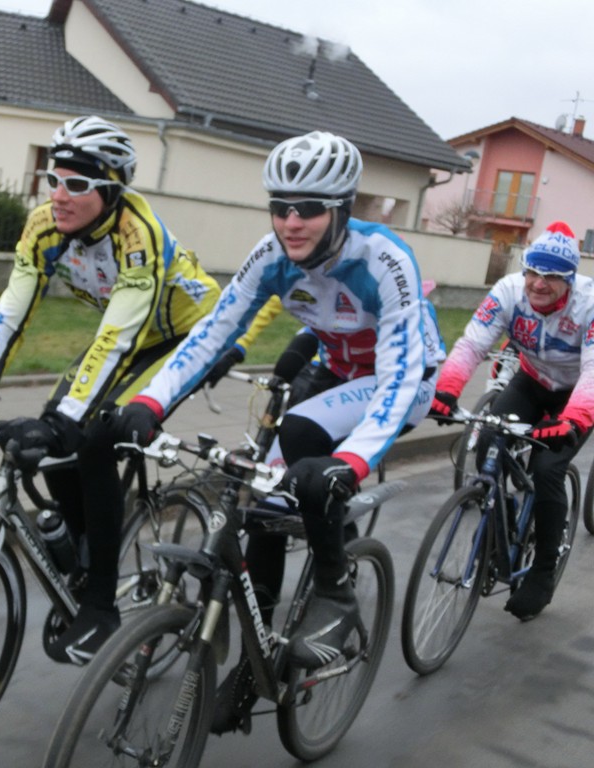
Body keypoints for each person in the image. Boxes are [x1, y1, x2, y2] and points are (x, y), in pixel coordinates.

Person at [109, 130, 444, 731]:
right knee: (263, 501)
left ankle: (336, 589)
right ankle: (253, 659)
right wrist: (150, 400)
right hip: (338, 371)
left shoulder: (383, 258)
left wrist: (355, 462)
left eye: (309, 208)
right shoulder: (270, 255)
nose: (291, 222)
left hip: (404, 380)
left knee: (304, 435)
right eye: (280, 206)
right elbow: (213, 331)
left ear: (341, 209)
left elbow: (396, 378)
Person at [0, 115, 223, 665]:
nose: (58, 195)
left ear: (111, 190)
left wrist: (69, 420)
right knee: (55, 430)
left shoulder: (138, 234)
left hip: (188, 335)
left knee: (91, 436)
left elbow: (118, 336)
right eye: (53, 179)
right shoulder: (44, 226)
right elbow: (11, 310)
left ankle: (101, 607)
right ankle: (89, 552)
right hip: (131, 333)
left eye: (77, 184)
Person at [430, 221, 593, 621]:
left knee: (547, 470)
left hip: (576, 394)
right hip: (532, 380)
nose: (538, 283)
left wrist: (573, 421)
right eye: (533, 272)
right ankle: (498, 518)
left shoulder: (589, 305)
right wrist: (446, 390)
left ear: (570, 280)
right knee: (489, 439)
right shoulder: (508, 291)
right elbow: (473, 343)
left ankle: (543, 570)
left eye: (552, 277)